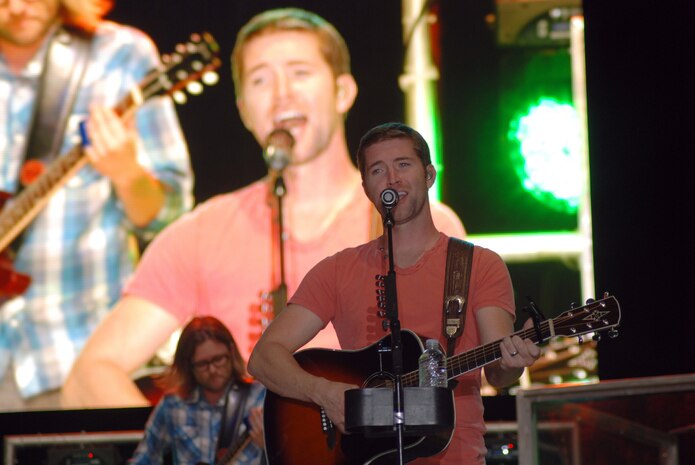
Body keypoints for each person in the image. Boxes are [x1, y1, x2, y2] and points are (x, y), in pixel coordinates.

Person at [61, 7, 464, 408]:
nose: (281, 95)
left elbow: (465, 382)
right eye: (260, 80)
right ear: (243, 109)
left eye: (300, 73)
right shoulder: (200, 234)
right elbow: (89, 376)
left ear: (343, 92)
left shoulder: (419, 224)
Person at [248, 123, 541, 465]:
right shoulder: (337, 270)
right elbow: (264, 357)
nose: (392, 178)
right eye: (377, 170)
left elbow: (498, 373)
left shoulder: (479, 265)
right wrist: (325, 393)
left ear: (429, 175)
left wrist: (512, 362)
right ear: (366, 188)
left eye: (403, 164)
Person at [0, 0, 193, 410]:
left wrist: (126, 172)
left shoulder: (118, 56)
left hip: (78, 359)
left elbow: (171, 218)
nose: (17, 6)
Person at [129, 316, 265, 465]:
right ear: (188, 366)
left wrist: (268, 446)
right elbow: (145, 458)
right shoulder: (174, 405)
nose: (212, 370)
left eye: (218, 359)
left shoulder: (260, 397)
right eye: (202, 364)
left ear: (231, 352)